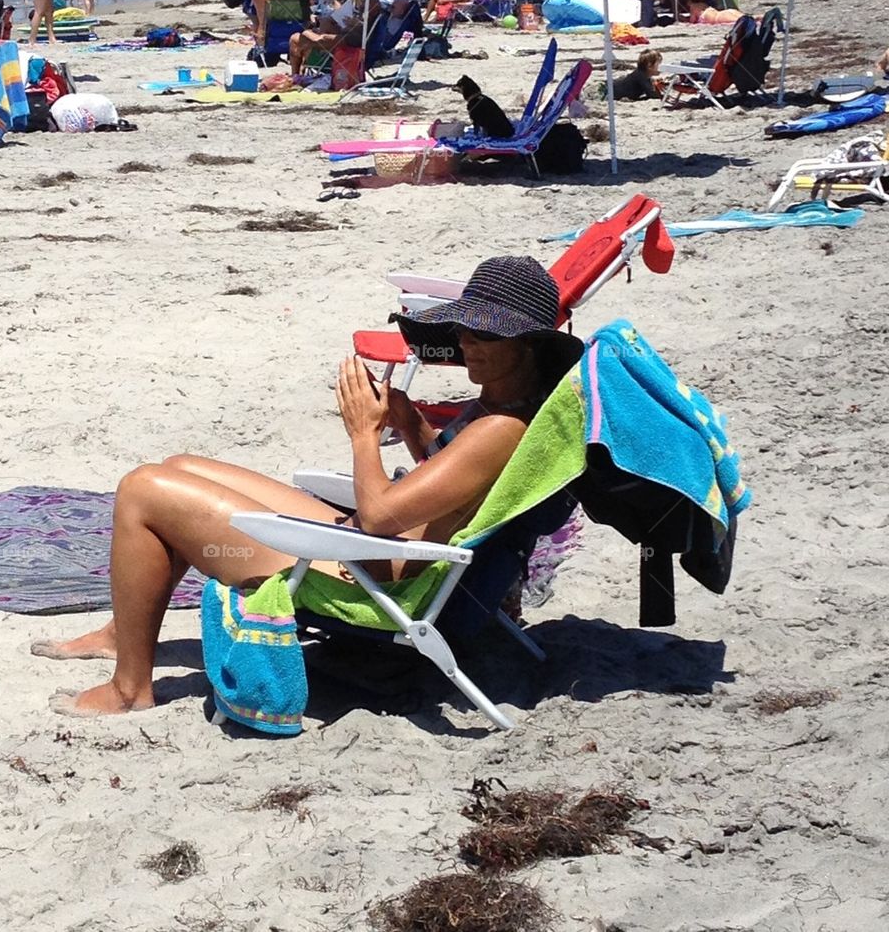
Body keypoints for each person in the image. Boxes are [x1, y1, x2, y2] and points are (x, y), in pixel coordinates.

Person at [31, 256, 580, 715]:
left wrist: (363, 434)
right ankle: (119, 633)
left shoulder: (502, 429)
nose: (466, 341)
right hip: (380, 549)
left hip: (370, 570)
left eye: (486, 332)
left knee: (143, 489)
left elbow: (382, 516)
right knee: (182, 465)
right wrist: (410, 422)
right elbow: (454, 481)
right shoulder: (508, 411)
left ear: (528, 344)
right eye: (463, 327)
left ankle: (130, 690)